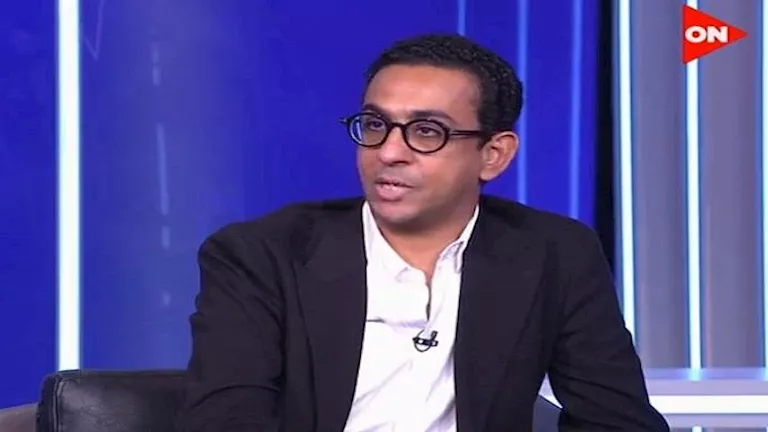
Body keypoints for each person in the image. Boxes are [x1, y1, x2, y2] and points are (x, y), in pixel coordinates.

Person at [178, 34, 669, 431]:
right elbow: (225, 421)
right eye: (375, 125)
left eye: (427, 131)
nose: (389, 152)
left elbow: (618, 421)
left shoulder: (553, 253)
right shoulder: (260, 255)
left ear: (493, 155)